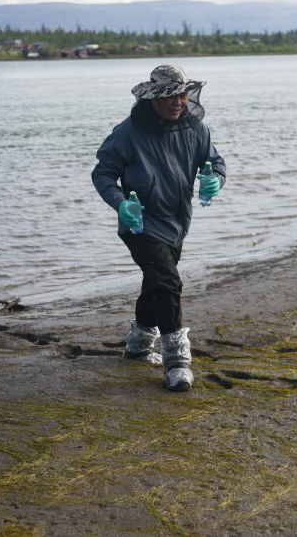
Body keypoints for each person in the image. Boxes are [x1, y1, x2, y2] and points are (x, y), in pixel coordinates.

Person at [92, 64, 226, 392]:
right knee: (168, 284)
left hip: (176, 223)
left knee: (156, 285)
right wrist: (120, 204)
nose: (177, 102)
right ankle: (177, 363)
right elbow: (103, 173)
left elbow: (215, 162)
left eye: (182, 95)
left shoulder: (196, 129)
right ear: (153, 97)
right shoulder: (128, 132)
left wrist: (215, 180)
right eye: (170, 96)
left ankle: (138, 347)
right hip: (139, 224)